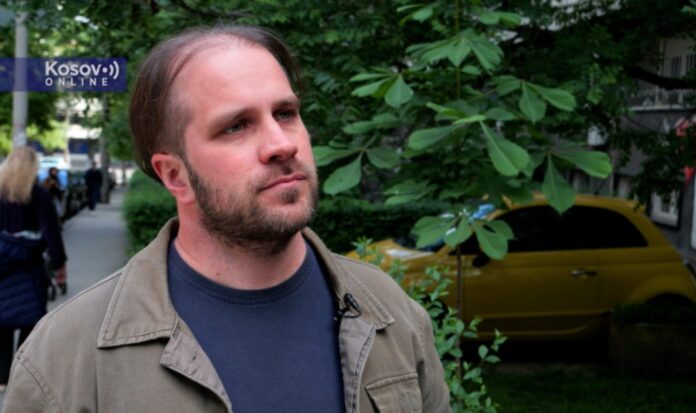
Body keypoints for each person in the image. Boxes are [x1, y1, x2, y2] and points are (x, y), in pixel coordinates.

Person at [2, 25, 450, 412]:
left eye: (286, 113)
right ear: (175, 176)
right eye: (236, 126)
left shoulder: (391, 313)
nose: (282, 144)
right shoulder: (67, 356)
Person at [0, 147, 67, 393]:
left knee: (2, 321)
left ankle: (2, 378)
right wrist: (59, 264)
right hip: (30, 265)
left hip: (2, 266)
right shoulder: (38, 193)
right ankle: (22, 376)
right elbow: (51, 231)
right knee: (31, 319)